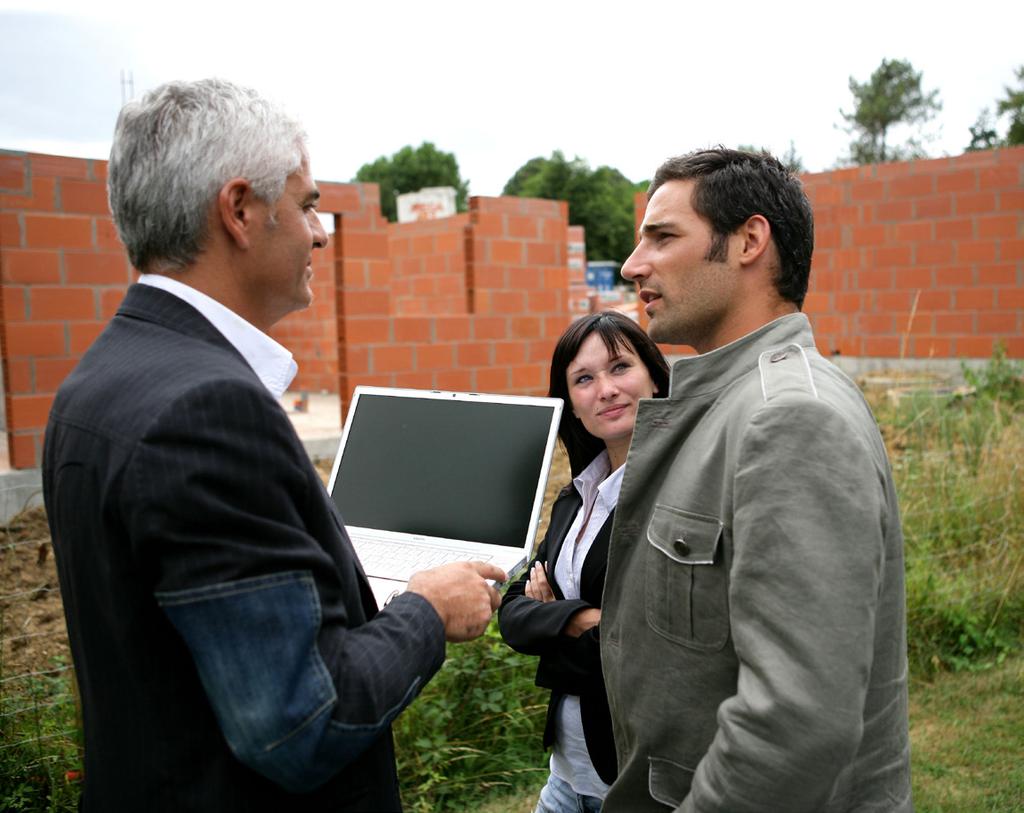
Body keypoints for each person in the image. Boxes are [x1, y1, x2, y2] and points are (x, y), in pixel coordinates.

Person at [42, 78, 505, 812]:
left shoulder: (95, 380)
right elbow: (304, 722)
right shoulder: (208, 407)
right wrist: (425, 608)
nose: (321, 232)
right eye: (308, 204)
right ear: (240, 211)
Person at [599, 148, 912, 812]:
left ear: (748, 240)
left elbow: (795, 722)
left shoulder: (790, 418)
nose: (633, 266)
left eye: (662, 236)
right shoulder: (729, 404)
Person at [499, 311, 670, 813]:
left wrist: (551, 620)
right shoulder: (576, 497)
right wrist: (581, 618)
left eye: (620, 367)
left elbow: (646, 646)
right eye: (584, 379)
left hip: (634, 784)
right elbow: (512, 614)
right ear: (571, 405)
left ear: (655, 378)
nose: (606, 390)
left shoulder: (675, 496)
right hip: (566, 777)